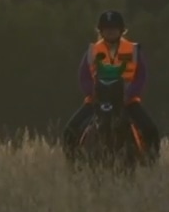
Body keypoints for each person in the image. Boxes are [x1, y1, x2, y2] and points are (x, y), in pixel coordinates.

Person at [61, 10, 158, 158]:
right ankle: (74, 164)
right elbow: (84, 76)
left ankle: (150, 161)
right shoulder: (92, 51)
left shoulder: (133, 50)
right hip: (97, 101)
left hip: (127, 101)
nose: (110, 32)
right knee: (70, 131)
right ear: (101, 31)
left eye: (114, 28)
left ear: (121, 30)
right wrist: (92, 93)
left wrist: (130, 94)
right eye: (107, 29)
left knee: (150, 130)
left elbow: (141, 76)